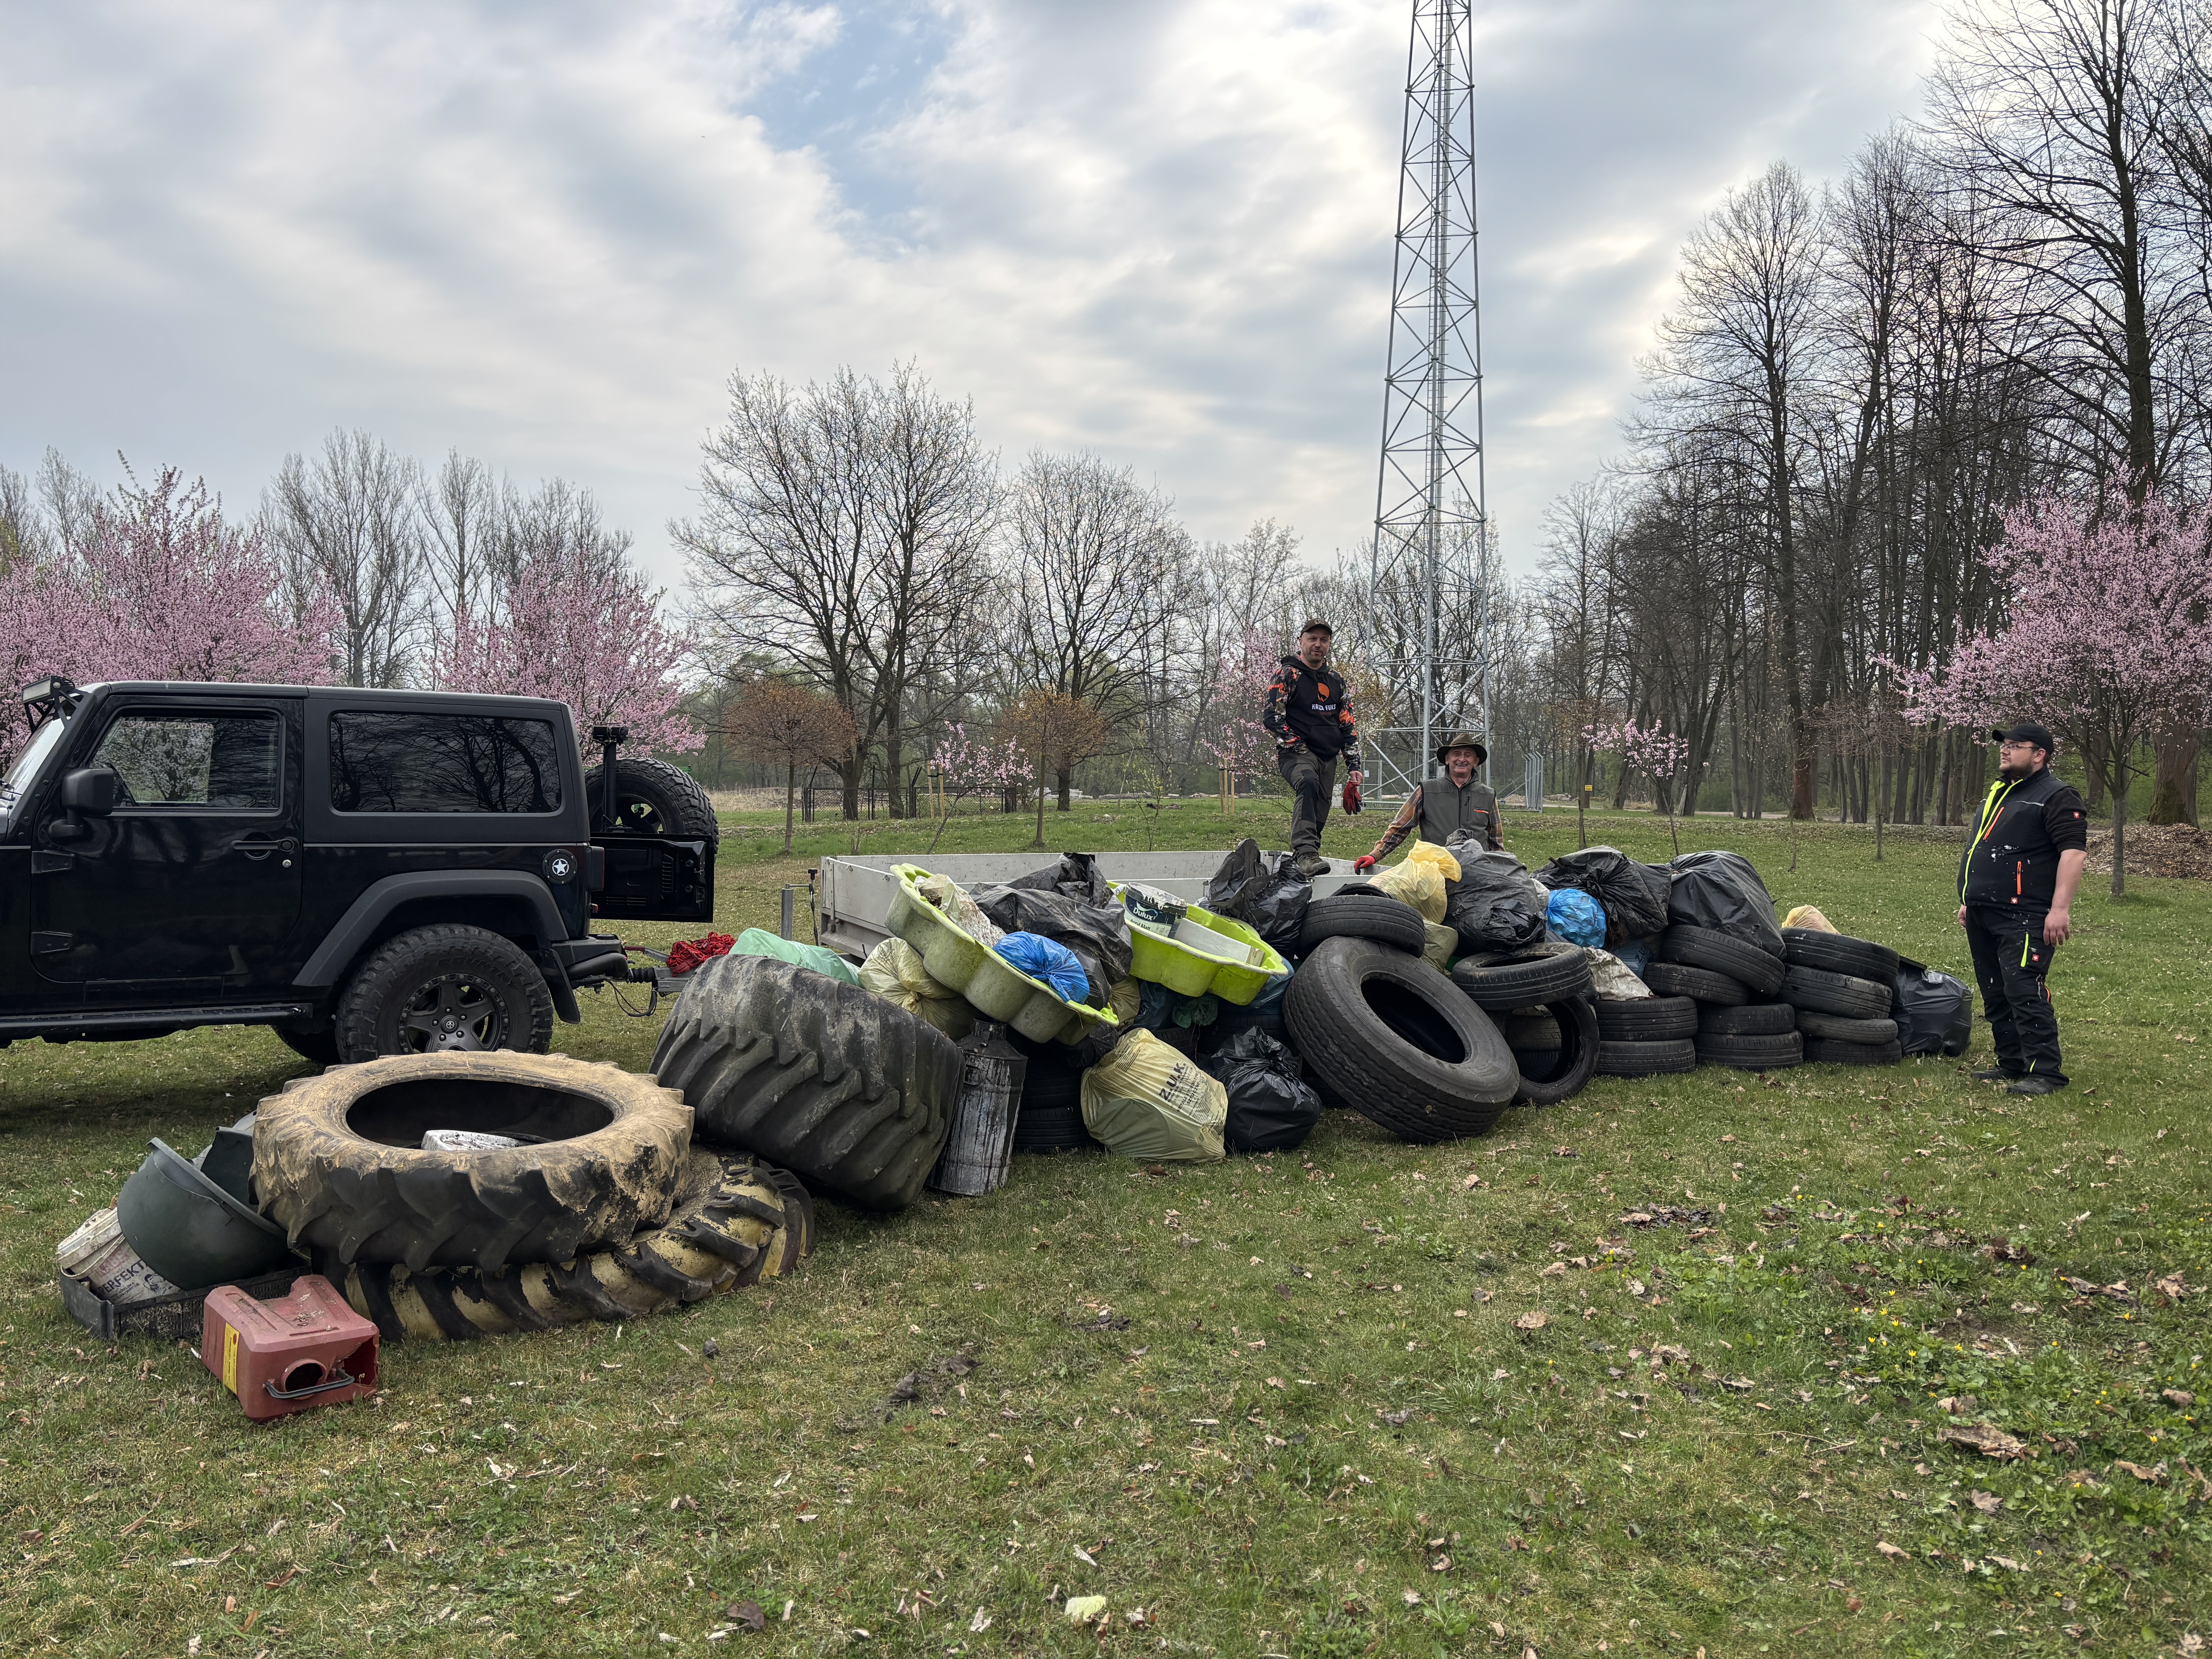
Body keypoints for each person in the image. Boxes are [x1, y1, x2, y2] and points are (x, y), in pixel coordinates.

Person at [1957, 721, 2087, 1096]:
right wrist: (1971, 900)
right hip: (1983, 911)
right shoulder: (1999, 793)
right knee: (1995, 990)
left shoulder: (2057, 796)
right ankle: (2012, 1062)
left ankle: (2046, 1072)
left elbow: (2073, 854)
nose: (2005, 750)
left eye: (2016, 745)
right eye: (2004, 745)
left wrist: (2059, 909)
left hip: (2026, 914)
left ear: (2040, 754)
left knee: (2023, 988)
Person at [1262, 619, 1363, 878]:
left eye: (1324, 640)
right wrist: (1299, 745)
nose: (1318, 645)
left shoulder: (1336, 681)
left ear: (1329, 644)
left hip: (1328, 756)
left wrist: (1354, 767)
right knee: (1308, 783)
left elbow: (1347, 725)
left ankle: (1306, 859)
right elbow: (1273, 717)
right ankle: (1305, 854)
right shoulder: (1287, 675)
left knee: (1319, 810)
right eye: (1313, 639)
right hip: (1295, 754)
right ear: (1302, 641)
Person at [1353, 732, 1502, 871]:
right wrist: (1375, 855)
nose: (1462, 759)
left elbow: (1496, 842)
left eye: (1468, 756)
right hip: (1435, 870)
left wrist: (1504, 869)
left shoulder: (1488, 795)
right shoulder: (1427, 790)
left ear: (1476, 762)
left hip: (1477, 871)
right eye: (1457, 754)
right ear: (1447, 760)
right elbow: (1399, 827)